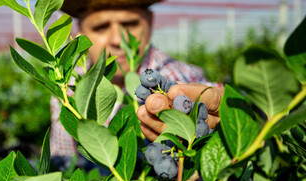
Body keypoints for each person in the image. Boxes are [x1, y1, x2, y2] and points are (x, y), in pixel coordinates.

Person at [50, 0, 224, 163]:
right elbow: (66, 166)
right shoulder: (68, 89)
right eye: (101, 27)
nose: (118, 40)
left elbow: (212, 96)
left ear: (150, 21)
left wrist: (226, 116)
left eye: (130, 24)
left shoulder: (179, 77)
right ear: (80, 33)